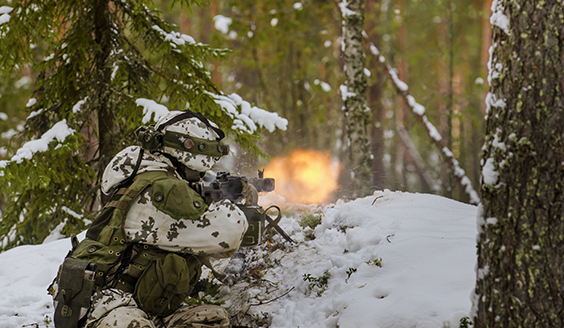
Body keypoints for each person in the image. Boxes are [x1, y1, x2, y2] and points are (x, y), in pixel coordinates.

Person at [50, 110, 250, 328]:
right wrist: (241, 207)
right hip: (105, 303)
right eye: (198, 172)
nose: (200, 176)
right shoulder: (158, 192)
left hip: (143, 300)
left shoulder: (139, 170)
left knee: (212, 319)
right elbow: (228, 235)